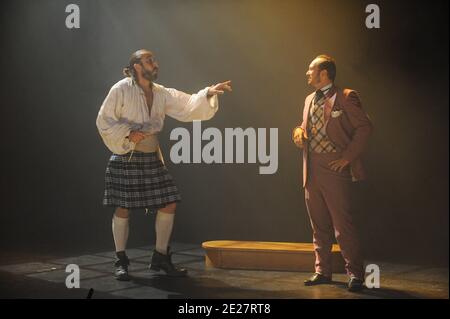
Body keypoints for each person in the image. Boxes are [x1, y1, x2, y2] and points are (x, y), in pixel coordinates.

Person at [96, 49, 232, 280]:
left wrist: (208, 92)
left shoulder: (160, 93)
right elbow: (104, 119)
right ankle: (121, 259)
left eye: (154, 60)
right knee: (123, 207)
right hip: (126, 155)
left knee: (169, 203)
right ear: (137, 66)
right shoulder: (121, 89)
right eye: (150, 61)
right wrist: (128, 133)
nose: (155, 64)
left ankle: (160, 256)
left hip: (150, 156)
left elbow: (187, 104)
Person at [292, 55, 373, 292]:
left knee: (342, 224)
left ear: (324, 73)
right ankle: (322, 270)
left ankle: (356, 274)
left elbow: (365, 127)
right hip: (311, 167)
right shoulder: (309, 99)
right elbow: (303, 124)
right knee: (318, 224)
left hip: (334, 166)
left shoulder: (346, 96)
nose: (307, 72)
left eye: (311, 69)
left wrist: (347, 157)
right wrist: (297, 132)